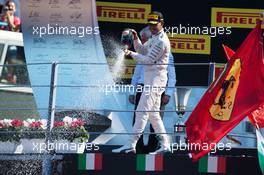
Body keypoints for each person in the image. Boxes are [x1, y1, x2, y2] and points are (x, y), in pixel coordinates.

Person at [112, 11, 171, 154]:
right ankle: (165, 145)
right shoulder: (154, 37)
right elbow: (143, 50)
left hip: (155, 82)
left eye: (154, 25)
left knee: (141, 112)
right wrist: (136, 39)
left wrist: (130, 53)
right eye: (150, 25)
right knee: (154, 115)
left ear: (161, 24)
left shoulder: (162, 41)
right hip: (152, 81)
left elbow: (148, 60)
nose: (151, 27)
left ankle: (131, 144)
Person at [128, 26, 176, 153]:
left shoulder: (164, 51)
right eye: (142, 40)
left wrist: (169, 93)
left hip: (156, 86)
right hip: (142, 86)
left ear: (151, 38)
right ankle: (137, 148)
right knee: (145, 116)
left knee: (147, 115)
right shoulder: (143, 51)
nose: (143, 43)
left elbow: (172, 76)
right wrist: (132, 91)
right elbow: (136, 74)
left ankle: (154, 147)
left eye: (145, 40)